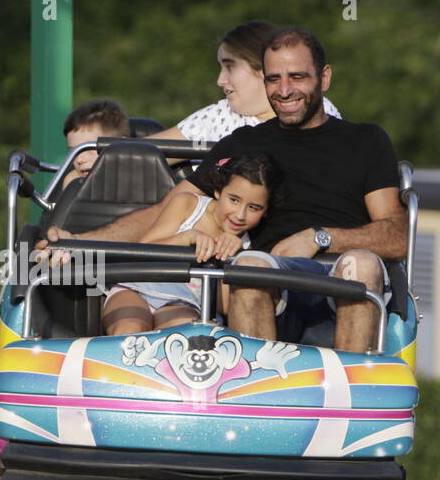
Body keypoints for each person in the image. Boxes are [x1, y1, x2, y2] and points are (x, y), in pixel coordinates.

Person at [46, 26, 407, 353]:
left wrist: (320, 238)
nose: (284, 90)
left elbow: (397, 235)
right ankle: (259, 400)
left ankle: (349, 397)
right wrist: (78, 242)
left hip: (336, 274)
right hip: (270, 279)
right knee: (248, 265)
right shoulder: (243, 143)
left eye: (297, 77)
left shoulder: (365, 140)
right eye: (274, 79)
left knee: (360, 263)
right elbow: (166, 211)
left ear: (324, 78)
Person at [102, 152, 278, 336]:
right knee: (129, 330)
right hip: (138, 288)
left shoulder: (245, 246)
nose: (240, 215)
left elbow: (226, 307)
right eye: (234, 200)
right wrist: (186, 238)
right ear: (218, 191)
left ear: (265, 211)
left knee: (181, 337)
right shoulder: (188, 204)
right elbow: (146, 249)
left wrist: (229, 257)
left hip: (185, 303)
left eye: (253, 208)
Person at [146, 20, 341, 143]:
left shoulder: (318, 110)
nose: (220, 81)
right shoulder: (217, 117)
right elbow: (137, 153)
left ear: (265, 69)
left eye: (230, 67)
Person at [61, 98, 131, 184]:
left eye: (88, 148)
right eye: (73, 151)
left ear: (121, 146)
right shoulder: (72, 182)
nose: (79, 160)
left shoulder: (139, 179)